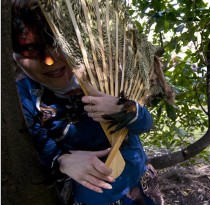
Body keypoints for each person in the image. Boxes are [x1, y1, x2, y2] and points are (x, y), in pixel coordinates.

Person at [11, 1, 158, 204]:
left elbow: (145, 124)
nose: (49, 60)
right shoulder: (23, 99)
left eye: (55, 43)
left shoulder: (106, 76)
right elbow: (35, 145)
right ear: (13, 57)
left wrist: (129, 110)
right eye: (30, 50)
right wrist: (62, 160)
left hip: (139, 189)